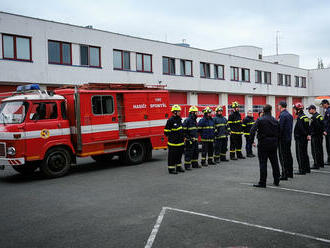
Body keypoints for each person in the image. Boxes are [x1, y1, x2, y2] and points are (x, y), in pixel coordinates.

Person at [250, 104, 280, 188]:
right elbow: (279, 131)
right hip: (273, 142)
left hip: (263, 142)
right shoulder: (275, 120)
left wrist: (252, 141)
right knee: (275, 162)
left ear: (263, 111)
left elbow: (252, 130)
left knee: (263, 163)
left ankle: (262, 182)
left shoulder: (260, 119)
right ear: (270, 110)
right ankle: (276, 180)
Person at [164, 105, 185, 174]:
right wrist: (173, 136)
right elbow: (166, 132)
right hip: (173, 143)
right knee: (172, 156)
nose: (180, 112)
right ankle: (171, 169)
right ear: (175, 112)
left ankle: (178, 167)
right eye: (179, 111)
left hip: (180, 142)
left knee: (179, 155)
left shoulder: (179, 120)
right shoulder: (170, 120)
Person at [277, 101, 294, 180]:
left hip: (282, 139)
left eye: (278, 105)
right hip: (288, 138)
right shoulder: (290, 115)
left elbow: (280, 128)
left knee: (283, 156)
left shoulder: (282, 115)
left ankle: (284, 174)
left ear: (280, 106)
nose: (278, 107)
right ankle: (290, 172)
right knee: (288, 155)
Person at [293, 103, 310, 175]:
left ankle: (302, 170)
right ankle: (307, 168)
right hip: (304, 138)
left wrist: (303, 135)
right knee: (304, 153)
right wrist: (307, 135)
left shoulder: (300, 117)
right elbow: (307, 128)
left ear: (298, 110)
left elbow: (301, 128)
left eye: (294, 109)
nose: (294, 111)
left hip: (300, 138)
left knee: (300, 154)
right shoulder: (305, 117)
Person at [307, 105, 324, 169]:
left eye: (309, 109)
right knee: (320, 150)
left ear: (313, 109)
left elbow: (315, 127)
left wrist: (311, 134)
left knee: (315, 151)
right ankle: (321, 163)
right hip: (320, 135)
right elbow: (322, 125)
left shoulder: (314, 117)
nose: (308, 111)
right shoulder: (319, 116)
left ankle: (316, 164)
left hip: (315, 136)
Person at [321, 99, 330, 165]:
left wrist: (326, 130)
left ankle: (329, 160)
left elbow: (328, 122)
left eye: (323, 104)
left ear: (326, 103)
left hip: (329, 131)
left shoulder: (329, 111)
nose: (322, 106)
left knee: (328, 146)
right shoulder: (327, 110)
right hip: (328, 130)